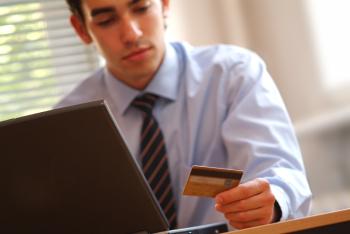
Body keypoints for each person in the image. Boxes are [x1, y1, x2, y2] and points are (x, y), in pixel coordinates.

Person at [58, 0, 312, 230]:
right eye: (106, 21)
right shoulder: (66, 121)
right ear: (81, 29)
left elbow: (279, 172)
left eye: (142, 8)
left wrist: (273, 202)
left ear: (165, 5)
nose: (131, 34)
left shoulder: (234, 74)